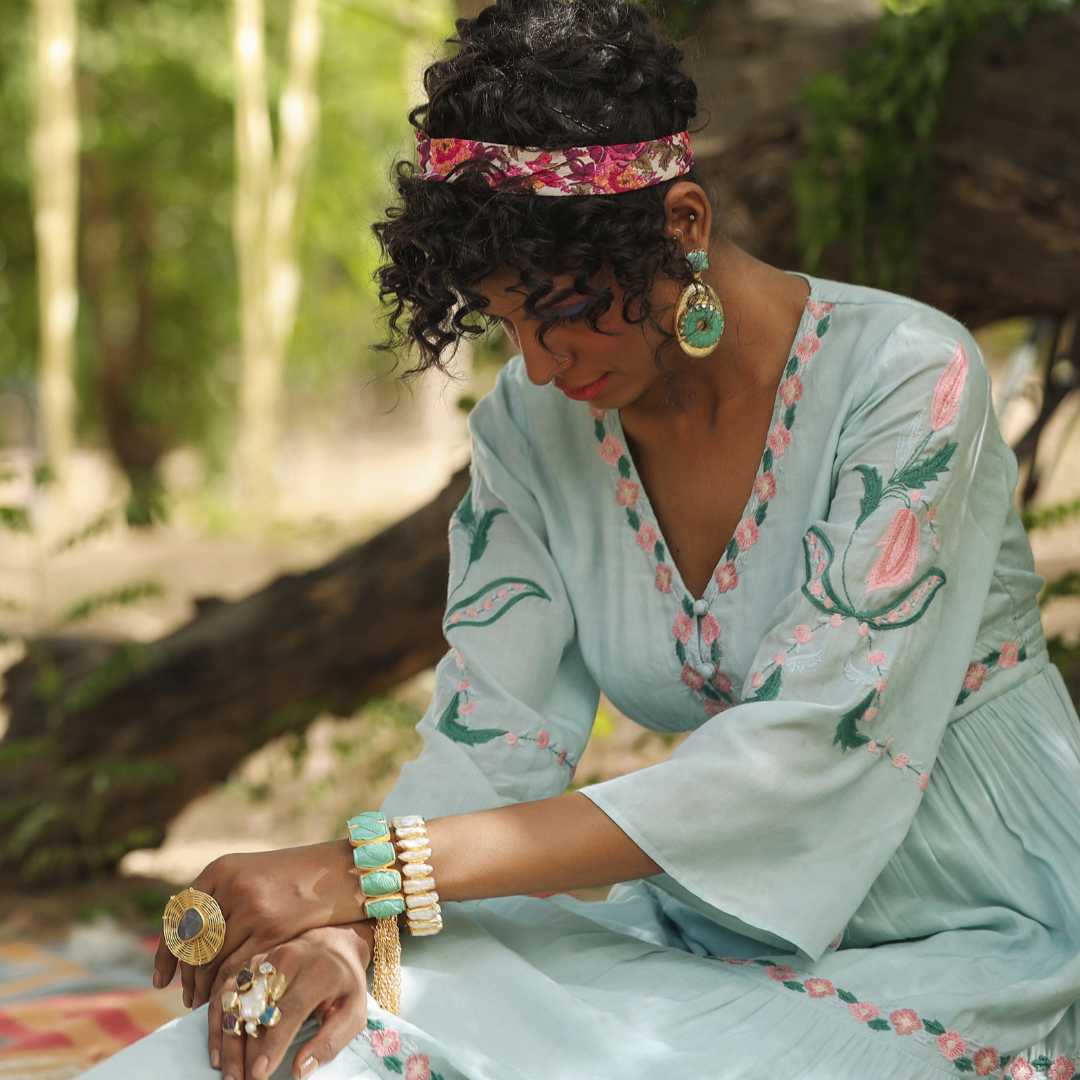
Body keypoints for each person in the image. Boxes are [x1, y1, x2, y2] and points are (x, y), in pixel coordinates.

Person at [85, 2, 1080, 1078]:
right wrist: (351, 933)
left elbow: (801, 756)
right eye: (507, 322)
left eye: (559, 310)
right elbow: (491, 739)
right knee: (313, 1041)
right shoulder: (532, 426)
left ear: (683, 225)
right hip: (712, 928)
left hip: (979, 932)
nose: (540, 363)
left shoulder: (908, 378)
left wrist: (358, 873)